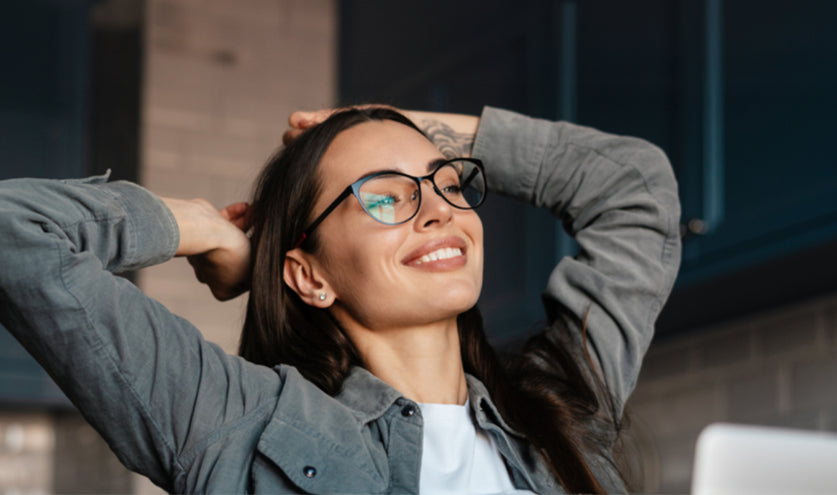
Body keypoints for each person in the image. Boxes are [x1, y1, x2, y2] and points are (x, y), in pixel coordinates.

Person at [0, 105, 680, 493]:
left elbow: (634, 187)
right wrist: (200, 227)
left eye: (445, 181)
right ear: (309, 274)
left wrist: (414, 128)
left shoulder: (563, 406)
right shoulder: (236, 420)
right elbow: (15, 231)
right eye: (385, 195)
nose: (440, 210)